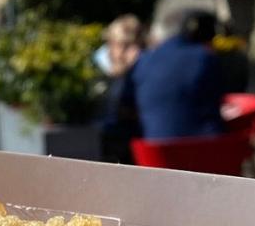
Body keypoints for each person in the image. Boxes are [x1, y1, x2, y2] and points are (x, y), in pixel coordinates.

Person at [123, 10, 226, 140]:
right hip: (203, 149)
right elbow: (217, 99)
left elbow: (127, 105)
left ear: (157, 35)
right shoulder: (204, 57)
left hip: (155, 153)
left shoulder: (142, 61)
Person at [97, 17, 145, 163]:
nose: (128, 52)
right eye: (121, 45)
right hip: (110, 142)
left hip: (135, 142)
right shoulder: (101, 73)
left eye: (133, 45)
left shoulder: (143, 72)